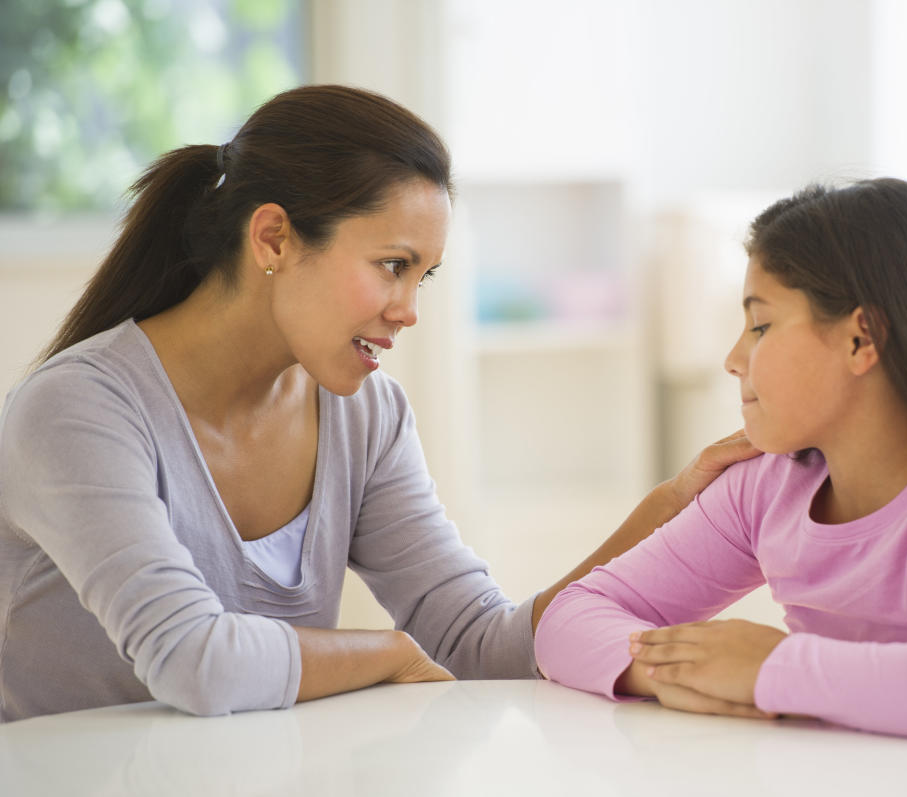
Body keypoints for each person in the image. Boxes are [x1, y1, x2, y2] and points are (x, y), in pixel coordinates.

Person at [0, 84, 756, 723]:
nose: (408, 310)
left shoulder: (366, 416)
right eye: (392, 266)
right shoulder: (78, 411)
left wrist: (670, 510)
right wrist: (388, 651)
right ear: (273, 238)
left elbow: (478, 645)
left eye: (421, 276)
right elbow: (191, 658)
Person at [533, 178, 907, 795]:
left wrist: (766, 666)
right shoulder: (768, 490)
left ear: (861, 339)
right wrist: (670, 671)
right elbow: (567, 619)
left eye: (761, 326)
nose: (734, 358)